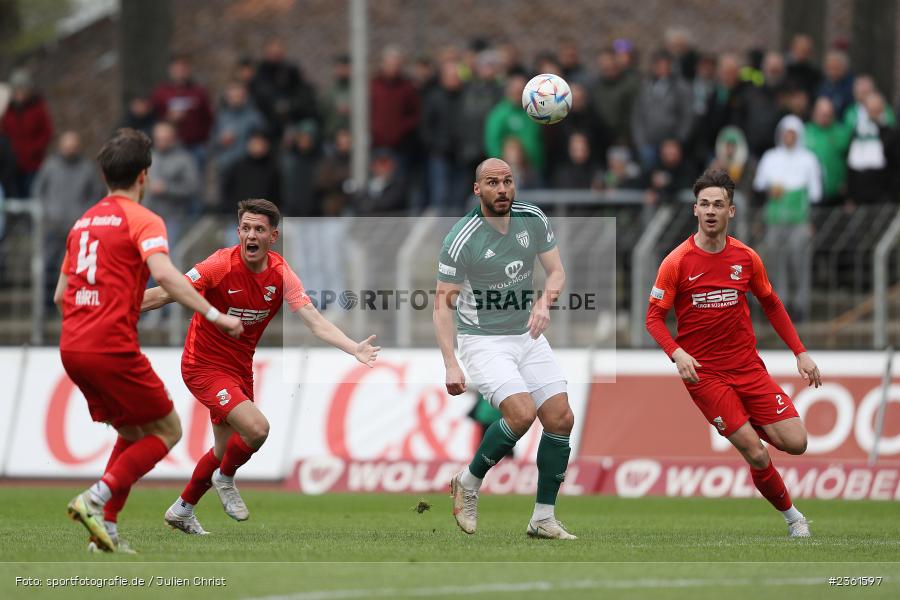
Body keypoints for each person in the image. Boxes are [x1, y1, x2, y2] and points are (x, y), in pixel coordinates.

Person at [55, 128, 244, 553]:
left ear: (104, 175)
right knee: (168, 429)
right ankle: (96, 497)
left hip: (72, 346)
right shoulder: (143, 219)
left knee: (131, 430)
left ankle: (105, 533)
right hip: (110, 345)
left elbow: (59, 295)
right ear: (144, 176)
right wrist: (214, 314)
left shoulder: (82, 223)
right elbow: (165, 275)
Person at [141, 198, 379, 534]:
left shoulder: (280, 274)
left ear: (273, 236)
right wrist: (117, 307)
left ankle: (182, 509)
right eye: (246, 228)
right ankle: (225, 479)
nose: (251, 235)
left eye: (259, 229)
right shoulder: (219, 265)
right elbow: (167, 293)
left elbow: (314, 320)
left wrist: (353, 347)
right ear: (238, 231)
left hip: (239, 370)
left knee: (223, 449)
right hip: (203, 365)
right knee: (257, 429)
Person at [645, 168, 821, 538]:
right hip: (706, 376)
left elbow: (771, 304)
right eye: (705, 204)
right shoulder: (676, 262)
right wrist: (676, 353)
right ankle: (794, 519)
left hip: (748, 368)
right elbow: (654, 319)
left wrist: (800, 353)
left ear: (732, 212)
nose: (711, 211)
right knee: (756, 453)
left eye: (718, 204)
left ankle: (747, 418)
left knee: (797, 442)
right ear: (695, 210)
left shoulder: (746, 258)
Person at [435, 157, 576, 540]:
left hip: (526, 335)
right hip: (483, 342)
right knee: (521, 412)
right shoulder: (462, 238)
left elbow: (557, 271)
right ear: (477, 189)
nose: (502, 189)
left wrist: (544, 302)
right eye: (493, 183)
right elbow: (442, 308)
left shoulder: (533, 218)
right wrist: (451, 363)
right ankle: (468, 481)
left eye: (508, 181)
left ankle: (543, 517)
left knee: (561, 418)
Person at [753, 115, 821, 321]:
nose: (789, 137)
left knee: (798, 258)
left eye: (793, 134)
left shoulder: (808, 158)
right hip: (774, 219)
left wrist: (812, 222)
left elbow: (816, 193)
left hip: (799, 219)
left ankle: (801, 304)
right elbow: (759, 186)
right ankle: (779, 303)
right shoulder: (770, 157)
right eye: (786, 133)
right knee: (774, 260)